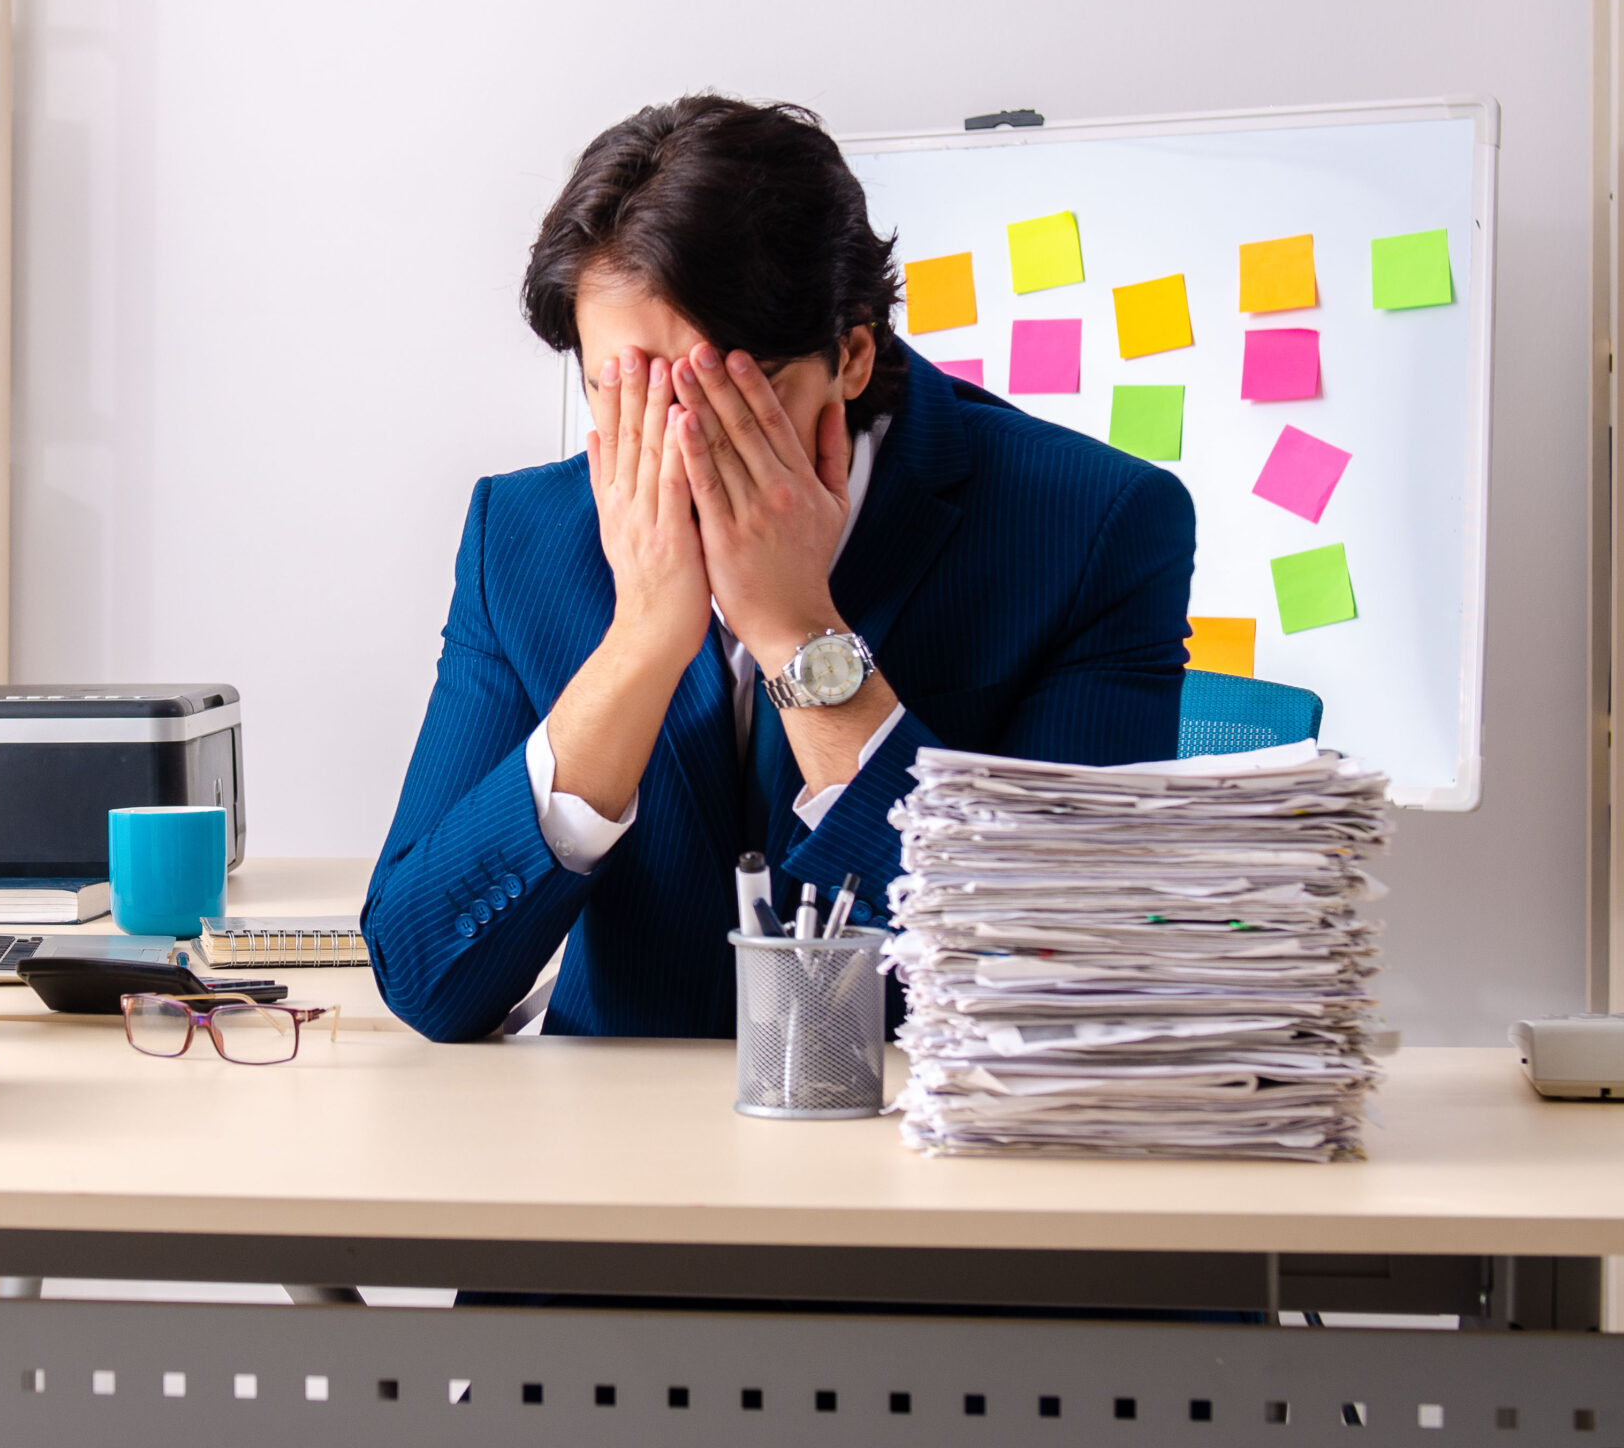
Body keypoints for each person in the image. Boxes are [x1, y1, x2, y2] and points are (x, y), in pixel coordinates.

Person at [363, 96, 1197, 1043]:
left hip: (919, 1143)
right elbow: (426, 977)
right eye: (621, 387)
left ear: (848, 353)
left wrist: (801, 633)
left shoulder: (1091, 523)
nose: (673, 443)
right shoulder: (523, 536)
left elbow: (1053, 977)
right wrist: (639, 642)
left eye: (721, 391)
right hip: (607, 1156)